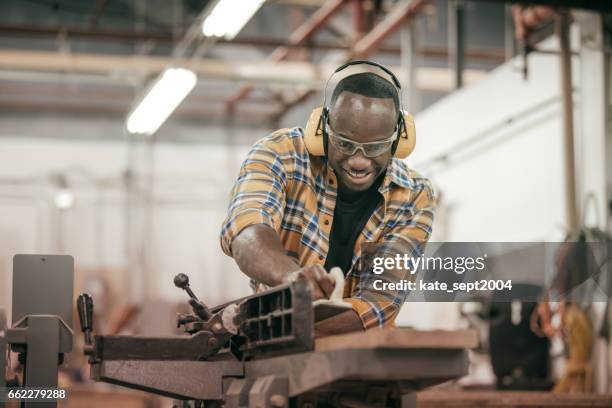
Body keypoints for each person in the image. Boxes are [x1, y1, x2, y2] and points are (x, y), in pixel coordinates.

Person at [220, 61, 435, 336]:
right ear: (320, 130)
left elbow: (379, 303)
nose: (358, 161)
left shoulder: (414, 196)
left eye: (376, 147)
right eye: (344, 143)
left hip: (349, 346)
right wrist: (291, 278)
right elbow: (246, 231)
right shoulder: (280, 154)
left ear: (399, 140)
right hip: (275, 339)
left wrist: (293, 325)